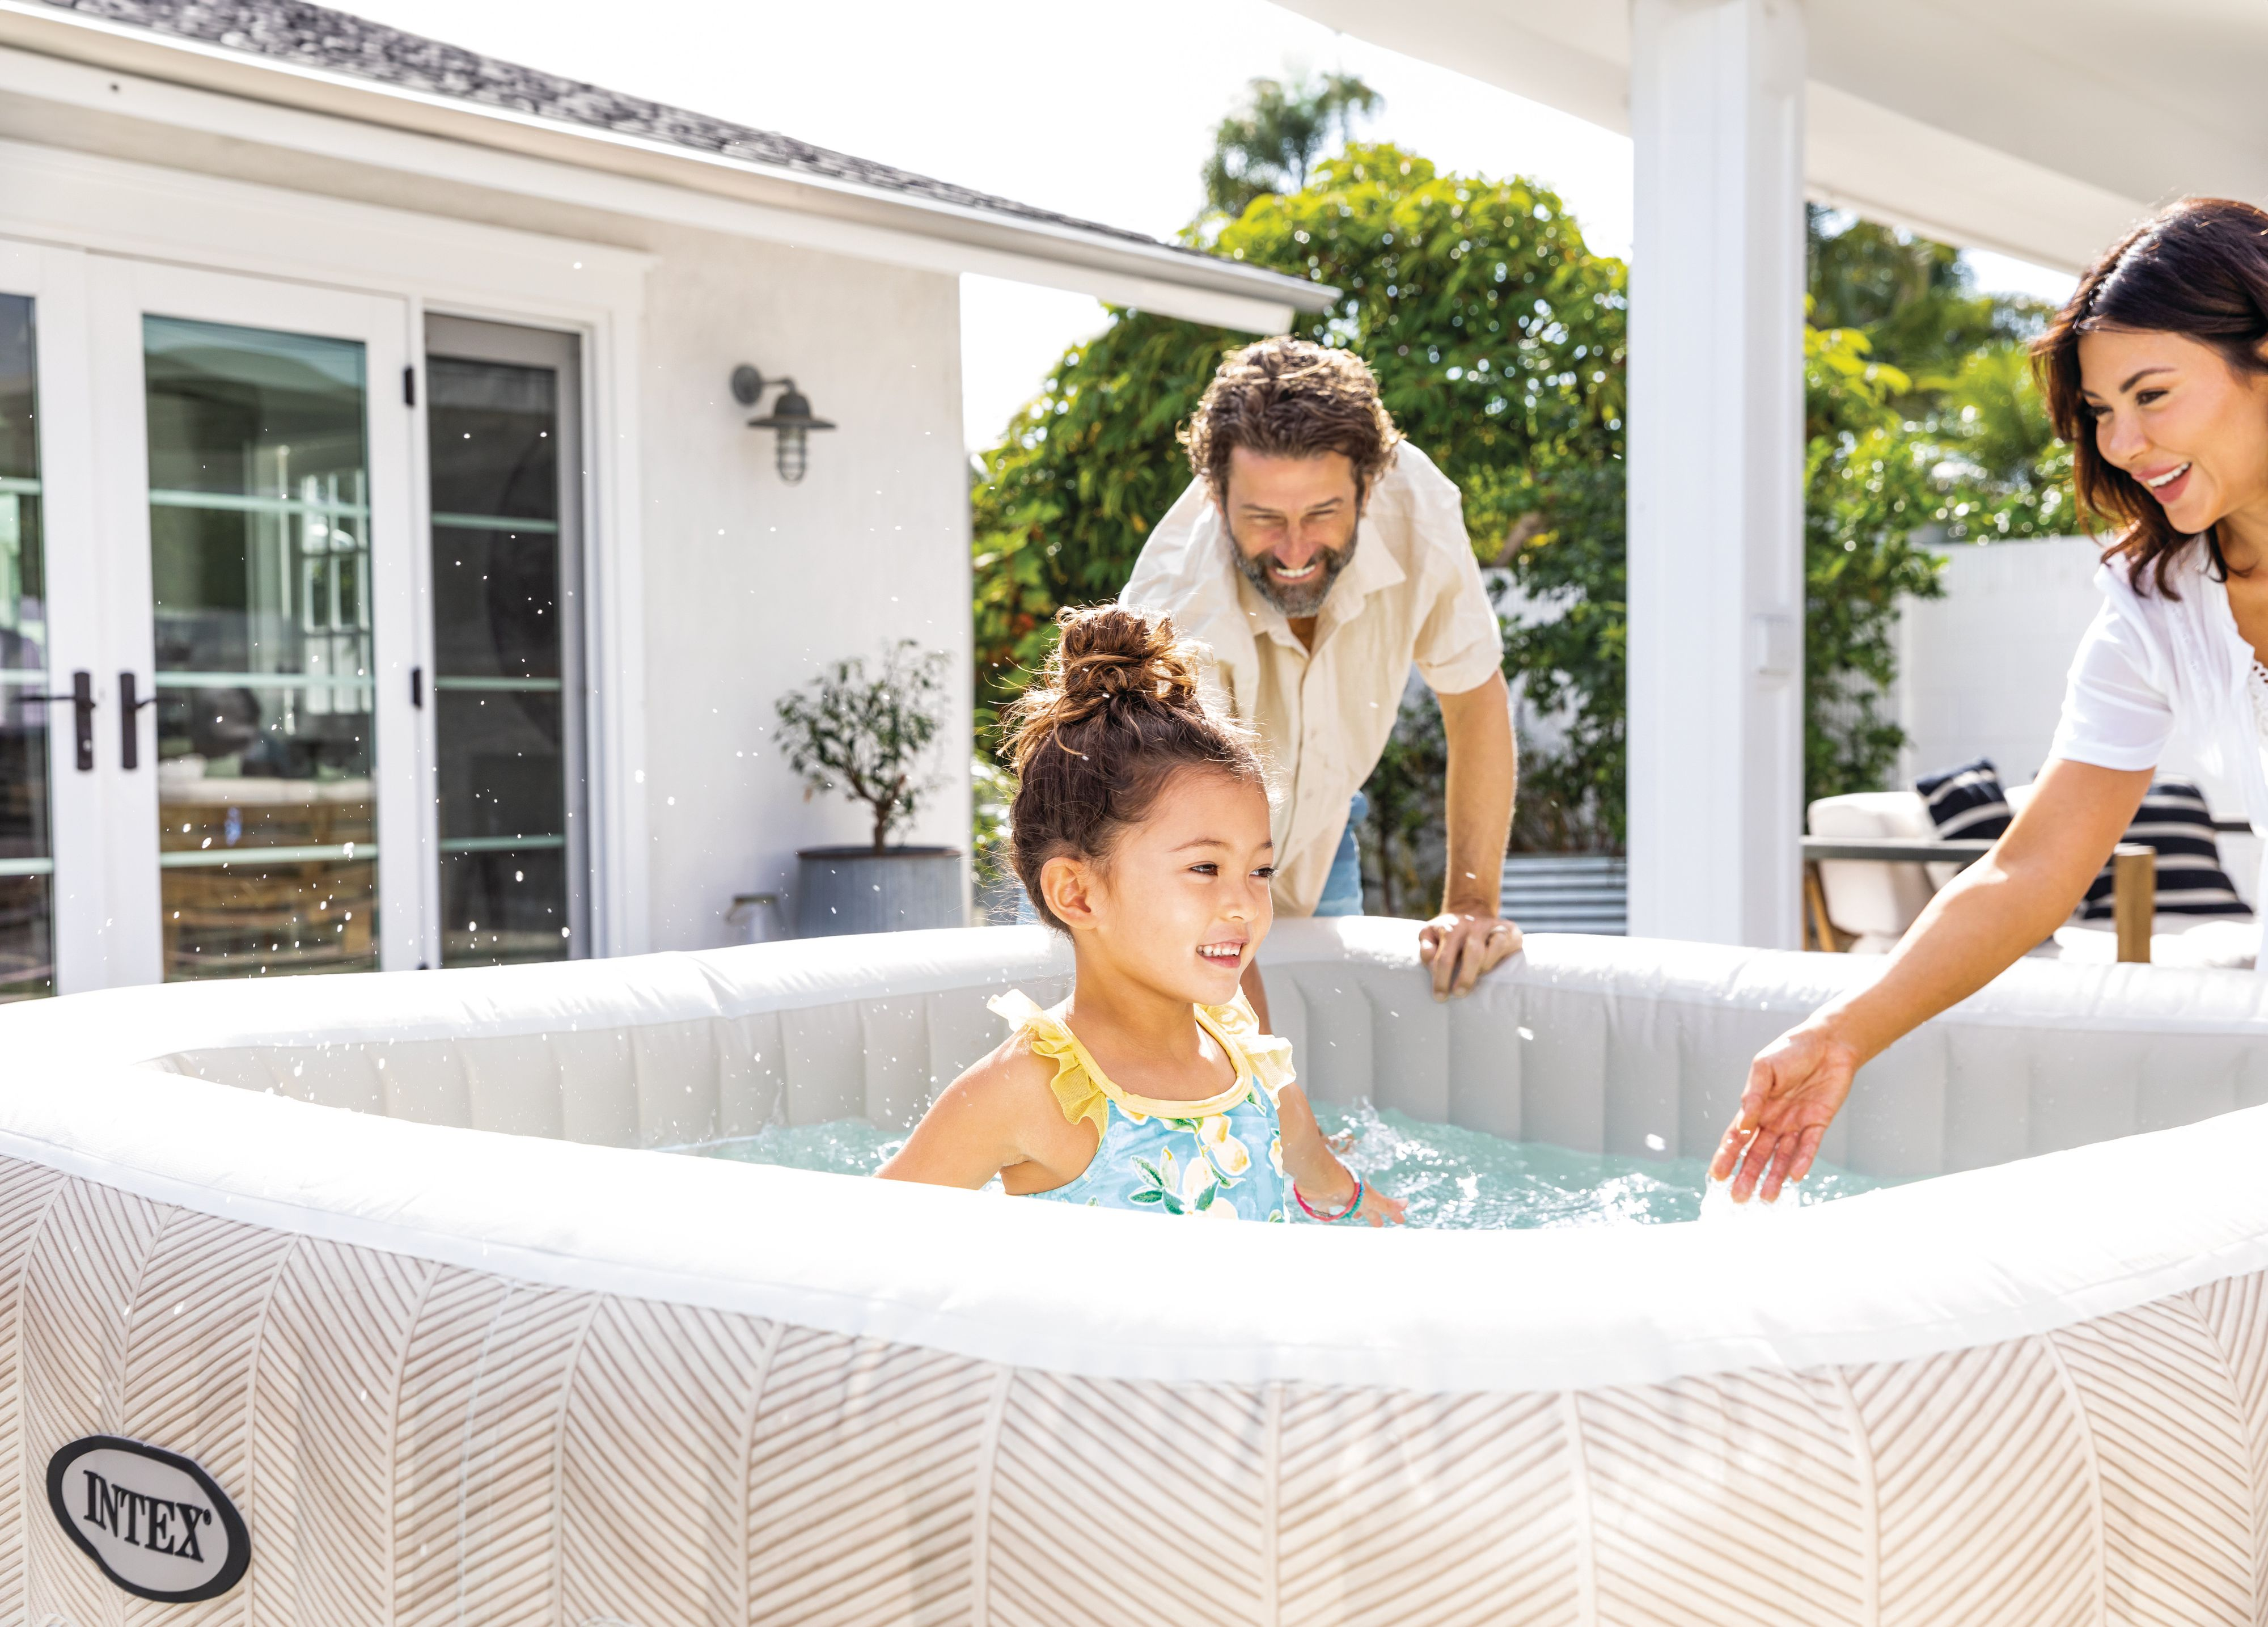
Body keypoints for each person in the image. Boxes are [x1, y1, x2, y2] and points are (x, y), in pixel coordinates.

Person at [1715, 196, 2268, 1204]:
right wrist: (1844, 1031)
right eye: (2102, 411)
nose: (2124, 442)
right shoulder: (2154, 604)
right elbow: (2027, 870)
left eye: (2153, 394)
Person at [881, 604, 1404, 1225]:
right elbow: (861, 1241)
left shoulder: (1252, 1062)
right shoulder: (1024, 1089)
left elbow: (1323, 1179)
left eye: (1259, 870)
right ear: (1076, 894)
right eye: (1205, 869)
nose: (1244, 901)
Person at [1120, 338, 1521, 1024]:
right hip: (1156, 871)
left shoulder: (1419, 509)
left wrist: (1471, 906)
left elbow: (1474, 699)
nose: (1297, 551)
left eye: (1321, 514)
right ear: (1217, 497)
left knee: (1332, 1075)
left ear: (1369, 487)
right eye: (1265, 519)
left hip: (1321, 834)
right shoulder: (1174, 610)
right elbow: (1200, 898)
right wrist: (1284, 1121)